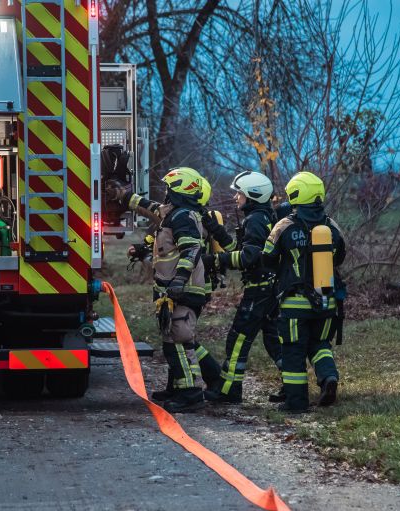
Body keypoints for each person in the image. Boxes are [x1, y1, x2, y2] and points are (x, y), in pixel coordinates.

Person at [106, 168, 220, 412]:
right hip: (171, 290)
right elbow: (149, 207)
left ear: (179, 191)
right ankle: (177, 389)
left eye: (169, 189)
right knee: (171, 339)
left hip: (183, 289)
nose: (166, 193)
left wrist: (179, 281)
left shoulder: (183, 217)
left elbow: (191, 250)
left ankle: (190, 393)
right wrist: (122, 195)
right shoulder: (173, 213)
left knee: (180, 340)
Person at [261, 171, 346, 413]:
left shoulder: (284, 225)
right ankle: (328, 377)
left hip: (294, 304)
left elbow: (267, 258)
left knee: (293, 350)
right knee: (320, 343)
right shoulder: (331, 226)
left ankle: (296, 402)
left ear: (295, 194)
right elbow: (340, 256)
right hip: (327, 301)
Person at [202, 171, 283, 404]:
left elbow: (249, 257)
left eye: (239, 193)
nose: (236, 197)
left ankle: (229, 391)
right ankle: (293, 386)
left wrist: (214, 261)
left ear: (253, 195)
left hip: (260, 290)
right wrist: (216, 230)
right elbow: (239, 248)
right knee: (273, 339)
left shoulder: (255, 220)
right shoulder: (264, 216)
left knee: (238, 338)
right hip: (271, 289)